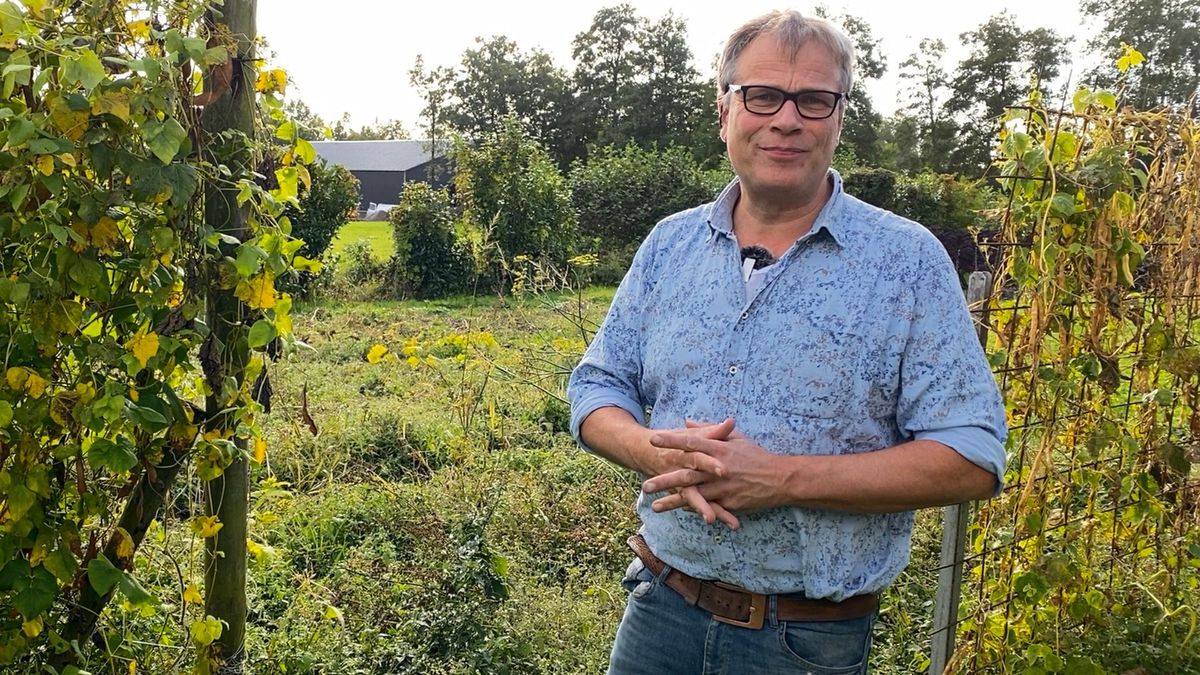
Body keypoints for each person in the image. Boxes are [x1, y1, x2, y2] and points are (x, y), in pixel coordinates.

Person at [566, 9, 1007, 675]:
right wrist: (653, 446)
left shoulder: (906, 261)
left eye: (813, 99)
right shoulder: (670, 245)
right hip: (659, 608)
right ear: (724, 111)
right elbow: (594, 388)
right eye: (762, 95)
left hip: (803, 643)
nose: (787, 119)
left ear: (838, 119)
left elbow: (972, 454)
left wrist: (780, 478)